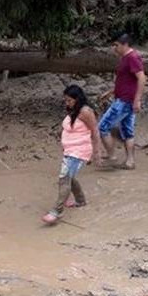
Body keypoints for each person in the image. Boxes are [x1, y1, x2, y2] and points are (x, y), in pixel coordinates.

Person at [42, 85, 101, 225]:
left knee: (64, 178)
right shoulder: (74, 110)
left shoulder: (86, 111)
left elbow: (95, 132)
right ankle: (81, 200)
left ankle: (56, 211)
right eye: (66, 100)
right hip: (70, 150)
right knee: (70, 177)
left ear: (77, 99)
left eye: (69, 100)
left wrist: (97, 153)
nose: (67, 103)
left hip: (79, 151)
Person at [98, 34, 146, 169]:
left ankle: (112, 156)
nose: (114, 48)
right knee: (127, 131)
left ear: (125, 44)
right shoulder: (125, 58)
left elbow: (142, 78)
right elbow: (126, 81)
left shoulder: (132, 57)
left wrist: (137, 100)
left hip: (125, 101)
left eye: (116, 45)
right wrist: (111, 91)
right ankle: (130, 161)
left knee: (102, 127)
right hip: (125, 99)